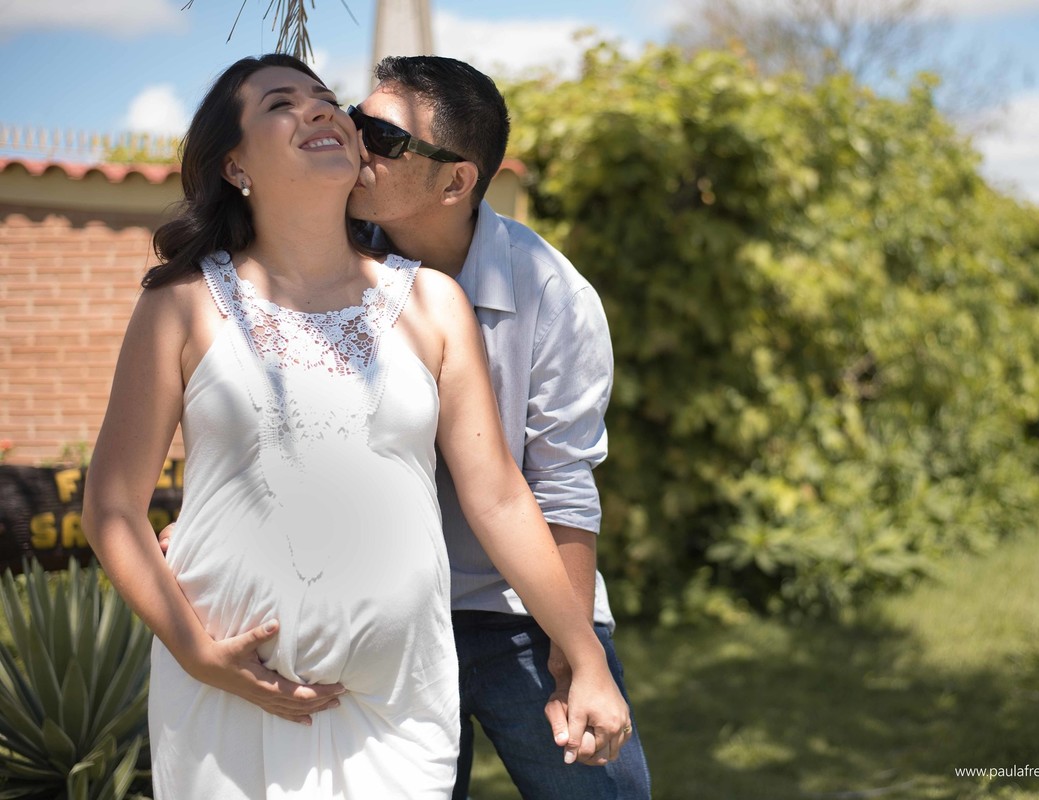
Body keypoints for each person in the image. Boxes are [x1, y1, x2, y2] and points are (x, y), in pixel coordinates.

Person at [81, 53, 631, 800]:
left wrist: (584, 656)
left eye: (323, 98)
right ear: (234, 164)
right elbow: (112, 507)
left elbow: (506, 495)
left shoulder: (437, 303)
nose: (324, 111)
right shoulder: (179, 304)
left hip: (402, 702)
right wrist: (197, 654)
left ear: (455, 182)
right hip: (228, 696)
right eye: (280, 103)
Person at [346, 56, 652, 800]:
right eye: (355, 123)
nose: (355, 146)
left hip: (521, 611)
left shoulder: (554, 295)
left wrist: (573, 653)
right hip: (383, 617)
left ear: (456, 182)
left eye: (384, 139)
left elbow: (562, 485)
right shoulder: (328, 264)